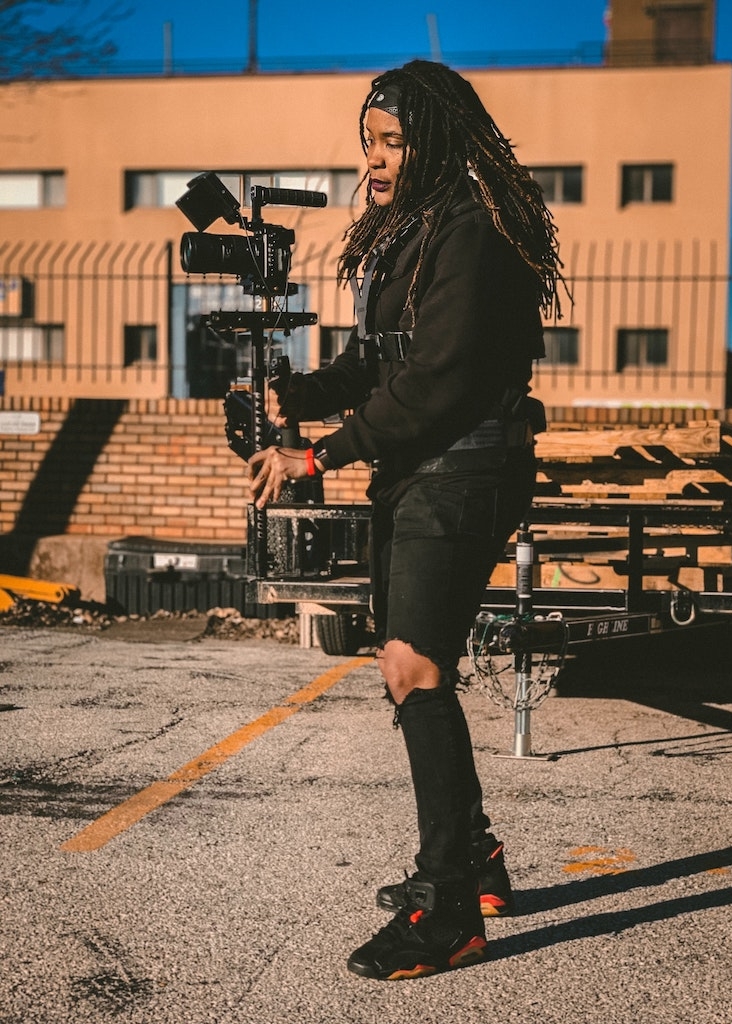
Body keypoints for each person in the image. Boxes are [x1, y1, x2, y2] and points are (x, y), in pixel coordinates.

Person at [247, 59, 562, 980]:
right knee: (410, 666)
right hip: (418, 474)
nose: (376, 159)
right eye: (368, 143)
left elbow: (441, 380)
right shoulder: (407, 232)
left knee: (412, 663)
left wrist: (320, 451)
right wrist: (297, 391)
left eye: (393, 141)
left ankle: (448, 907)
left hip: (462, 470)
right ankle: (478, 859)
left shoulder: (473, 232)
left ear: (438, 140)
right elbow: (376, 362)